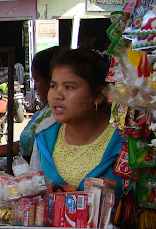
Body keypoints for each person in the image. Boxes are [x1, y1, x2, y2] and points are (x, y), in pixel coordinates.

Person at [30, 46, 123, 193]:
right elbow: (34, 194)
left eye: (69, 87)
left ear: (97, 96)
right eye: (53, 86)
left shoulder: (122, 141)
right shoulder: (44, 138)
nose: (57, 95)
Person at [0, 45, 59, 162]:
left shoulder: (59, 119)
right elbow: (24, 145)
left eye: (37, 80)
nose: (36, 87)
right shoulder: (46, 112)